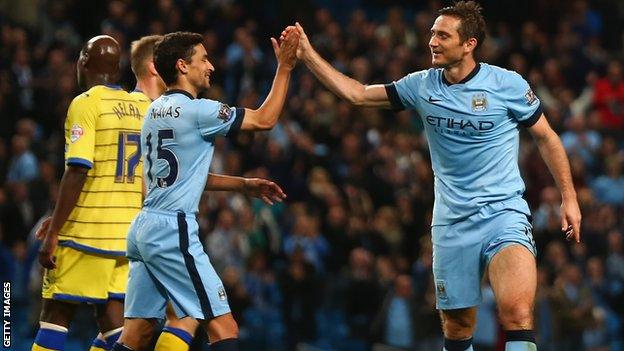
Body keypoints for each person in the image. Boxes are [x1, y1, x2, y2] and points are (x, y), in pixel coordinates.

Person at [284, 1, 582, 350]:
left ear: (469, 44)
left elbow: (546, 137)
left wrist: (569, 197)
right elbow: (357, 94)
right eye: (432, 33)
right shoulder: (421, 86)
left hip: (503, 213)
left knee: (517, 313)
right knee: (457, 328)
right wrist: (307, 54)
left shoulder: (507, 85)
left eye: (442, 35)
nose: (432, 42)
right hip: (452, 222)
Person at [113, 30, 298, 351]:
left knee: (136, 335)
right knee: (224, 326)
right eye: (204, 59)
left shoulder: (153, 112)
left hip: (144, 228)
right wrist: (284, 68)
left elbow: (181, 173)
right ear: (183, 66)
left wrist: (243, 185)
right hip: (173, 229)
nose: (211, 66)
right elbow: (265, 120)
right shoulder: (200, 111)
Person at [32, 35, 151, 351]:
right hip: (126, 236)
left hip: (86, 233)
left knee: (55, 313)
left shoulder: (85, 104)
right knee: (113, 321)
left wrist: (55, 230)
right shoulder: (143, 106)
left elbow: (78, 169)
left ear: (82, 61)